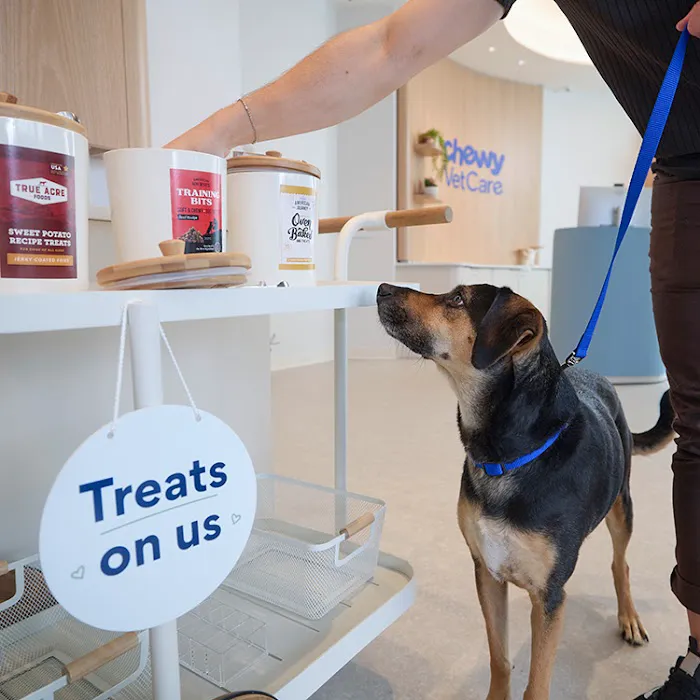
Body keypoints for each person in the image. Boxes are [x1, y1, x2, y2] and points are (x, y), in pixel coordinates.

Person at [168, 2, 700, 698]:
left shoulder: (518, 354)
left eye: (452, 303)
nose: (425, 302)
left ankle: (623, 586)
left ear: (508, 340)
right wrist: (220, 131)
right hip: (685, 168)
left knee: (619, 525)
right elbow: (392, 43)